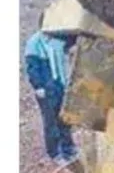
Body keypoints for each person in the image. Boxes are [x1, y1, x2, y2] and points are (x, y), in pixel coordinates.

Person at [24, 30, 78, 165]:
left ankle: (68, 148)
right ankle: (55, 153)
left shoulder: (59, 37)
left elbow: (73, 40)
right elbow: (32, 66)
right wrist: (38, 86)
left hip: (60, 84)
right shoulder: (34, 42)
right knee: (51, 121)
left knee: (64, 118)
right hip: (46, 88)